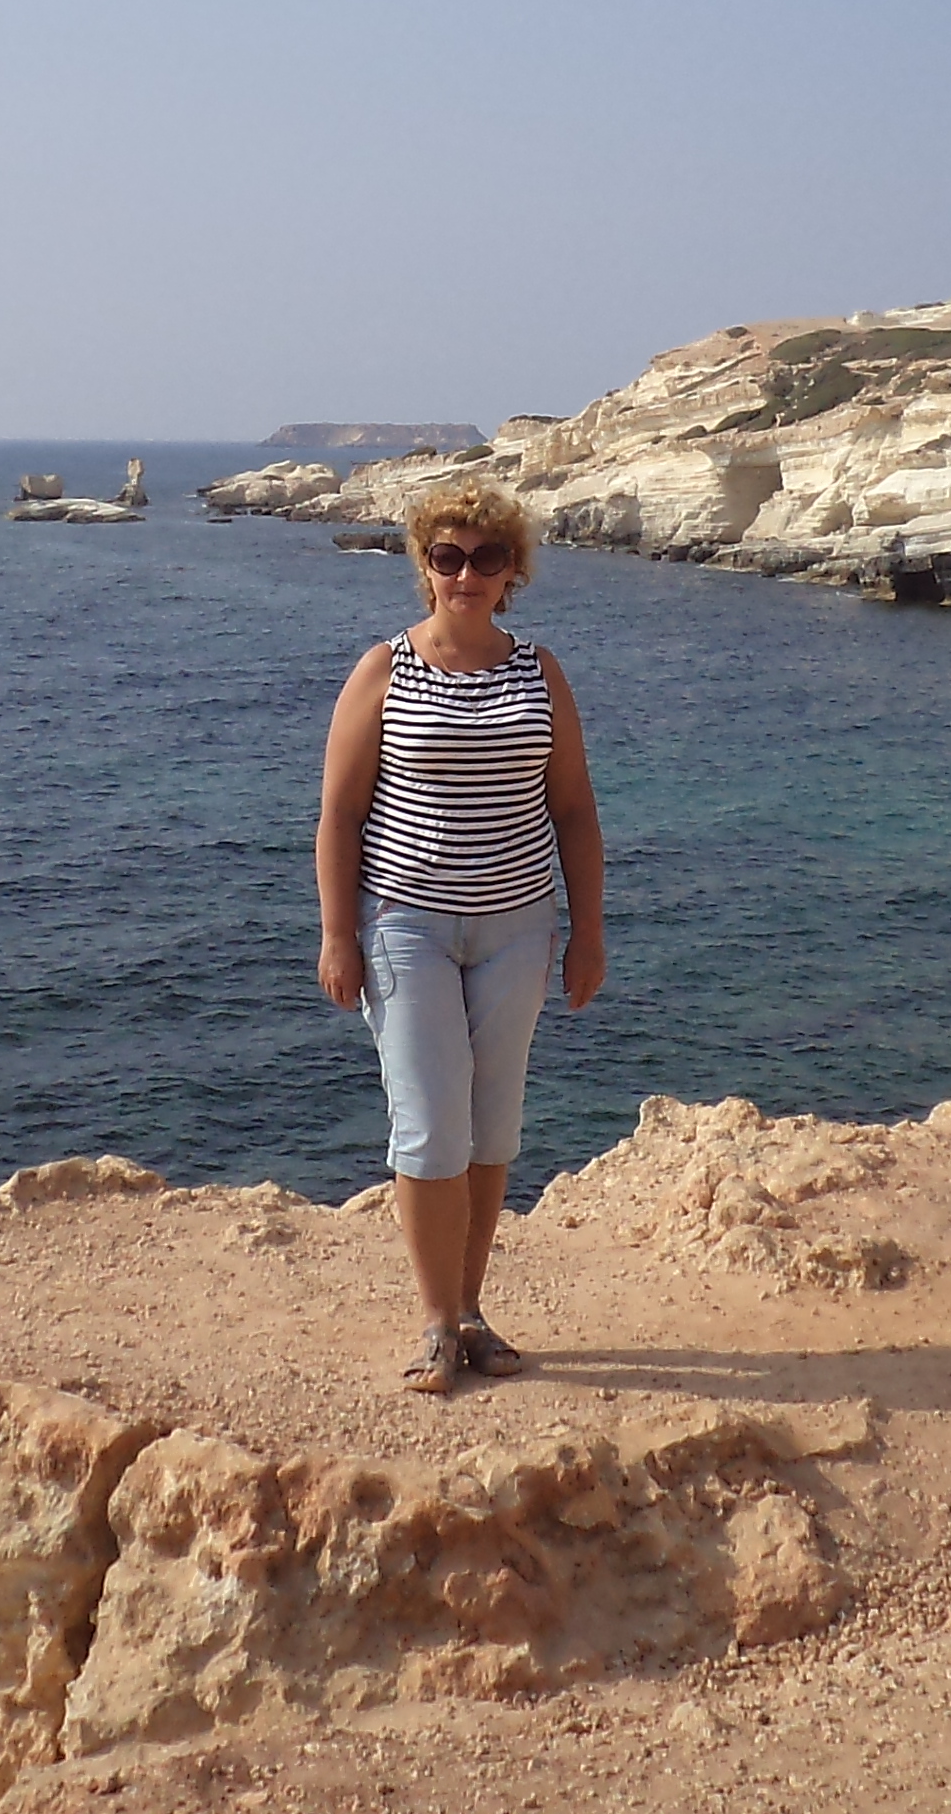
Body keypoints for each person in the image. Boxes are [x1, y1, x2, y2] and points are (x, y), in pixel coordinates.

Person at [314, 476, 605, 1394]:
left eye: (486, 557)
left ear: (514, 569)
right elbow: (339, 814)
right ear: (424, 565)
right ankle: (436, 1321)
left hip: (520, 928)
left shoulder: (539, 671)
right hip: (408, 927)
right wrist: (337, 935)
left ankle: (471, 1311)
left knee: (490, 1130)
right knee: (431, 1128)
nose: (466, 574)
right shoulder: (386, 669)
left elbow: (574, 811)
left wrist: (588, 932)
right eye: (448, 557)